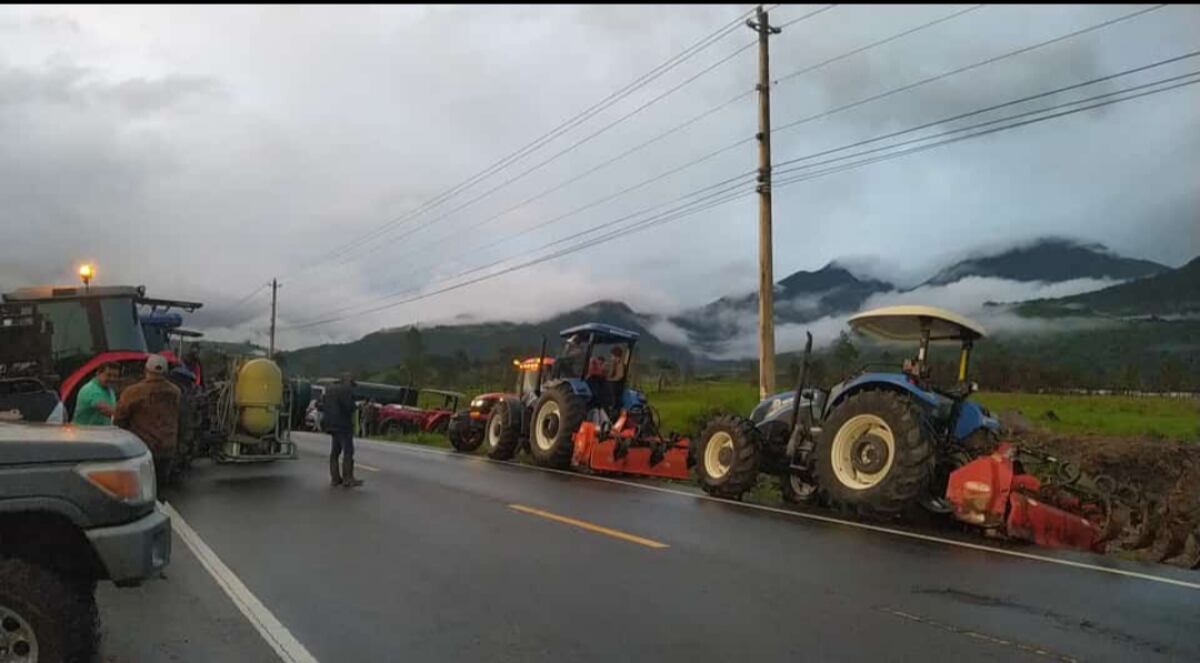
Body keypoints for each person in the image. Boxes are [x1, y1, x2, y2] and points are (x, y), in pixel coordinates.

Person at [114, 355, 182, 488]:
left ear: (146, 370)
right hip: (167, 447)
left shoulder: (133, 392)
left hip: (142, 447)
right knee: (160, 486)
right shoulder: (176, 391)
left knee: (142, 487)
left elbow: (119, 418)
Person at [323, 373, 363, 488]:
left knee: (335, 452)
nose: (352, 388)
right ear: (348, 382)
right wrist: (356, 406)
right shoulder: (346, 390)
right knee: (348, 451)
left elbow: (322, 405)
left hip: (330, 424)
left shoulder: (329, 389)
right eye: (352, 385)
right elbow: (349, 407)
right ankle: (348, 479)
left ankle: (335, 479)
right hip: (343, 425)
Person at [73, 362, 120, 426]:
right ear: (98, 374)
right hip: (85, 433)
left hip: (100, 433)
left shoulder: (109, 390)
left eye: (115, 376)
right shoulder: (91, 389)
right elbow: (106, 410)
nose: (112, 379)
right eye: (108, 375)